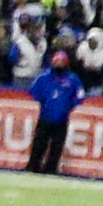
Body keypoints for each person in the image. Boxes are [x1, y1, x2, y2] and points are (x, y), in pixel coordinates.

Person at [28, 47, 80, 175]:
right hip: (45, 117)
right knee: (39, 143)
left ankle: (51, 168)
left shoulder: (72, 79)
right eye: (57, 62)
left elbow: (79, 95)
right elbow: (34, 90)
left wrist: (69, 105)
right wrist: (43, 101)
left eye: (62, 62)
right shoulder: (44, 77)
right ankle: (33, 166)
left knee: (57, 147)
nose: (59, 64)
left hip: (62, 119)